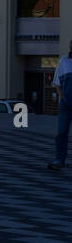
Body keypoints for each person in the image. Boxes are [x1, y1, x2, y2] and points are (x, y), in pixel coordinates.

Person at [49, 42, 72, 170]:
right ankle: (59, 159)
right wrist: (62, 98)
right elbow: (57, 82)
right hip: (66, 104)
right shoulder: (64, 61)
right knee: (62, 133)